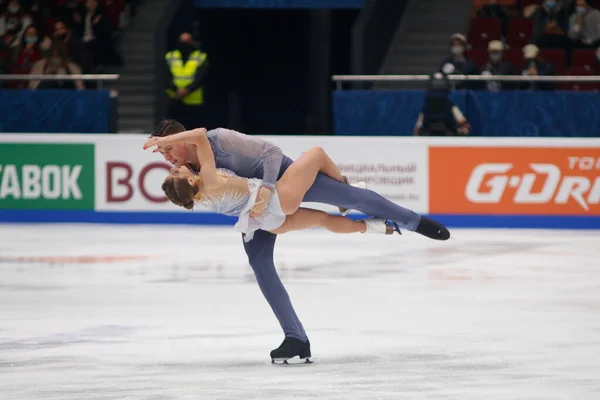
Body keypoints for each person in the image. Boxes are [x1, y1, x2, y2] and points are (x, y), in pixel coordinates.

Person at [148, 120, 450, 363]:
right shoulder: (191, 175)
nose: (166, 158)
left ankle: (413, 222)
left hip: (285, 179)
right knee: (261, 265)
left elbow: (271, 153)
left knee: (352, 197)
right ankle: (296, 338)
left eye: (167, 150)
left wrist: (266, 187)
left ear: (180, 140)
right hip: (258, 211)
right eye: (163, 155)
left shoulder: (218, 140)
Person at [143, 129, 395, 244]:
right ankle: (344, 193)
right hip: (275, 203)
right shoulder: (207, 176)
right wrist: (167, 140)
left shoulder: (198, 198)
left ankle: (372, 228)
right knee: (316, 153)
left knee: (323, 221)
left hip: (267, 224)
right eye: (176, 171)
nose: (173, 165)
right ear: (189, 180)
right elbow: (199, 135)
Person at [165, 32, 208, 130]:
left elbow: (201, 77)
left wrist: (187, 89)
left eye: (187, 41)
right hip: (174, 98)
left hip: (193, 100)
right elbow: (165, 75)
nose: (184, 44)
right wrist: (176, 89)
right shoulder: (170, 56)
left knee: (192, 128)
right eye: (182, 41)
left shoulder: (200, 56)